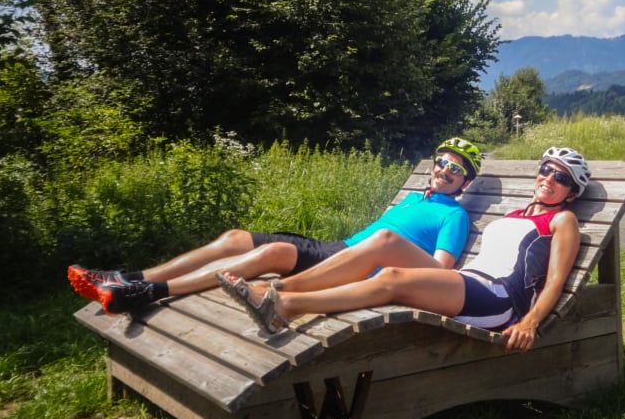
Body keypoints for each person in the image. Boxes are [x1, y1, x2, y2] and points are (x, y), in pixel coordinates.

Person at [219, 147, 591, 352]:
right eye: (547, 170)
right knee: (382, 244)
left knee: (393, 277)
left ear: (571, 193)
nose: (549, 180)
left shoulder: (563, 221)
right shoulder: (514, 214)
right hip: (466, 283)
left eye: (562, 178)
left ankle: (284, 303)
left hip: (498, 299)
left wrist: (530, 322)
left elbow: (555, 281)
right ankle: (278, 292)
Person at [69, 137, 482, 315]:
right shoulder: (414, 198)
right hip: (337, 248)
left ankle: (148, 292)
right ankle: (127, 277)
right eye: (442, 161)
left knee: (270, 254)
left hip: (359, 267)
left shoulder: (454, 214)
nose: (446, 170)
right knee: (235, 238)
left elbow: (440, 270)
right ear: (433, 165)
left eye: (457, 168)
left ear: (465, 182)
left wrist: (381, 257)